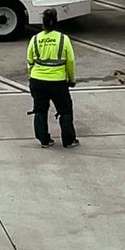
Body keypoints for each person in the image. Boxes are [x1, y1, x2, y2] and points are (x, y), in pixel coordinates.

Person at [27, 8, 78, 148]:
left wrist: (32, 76)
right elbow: (70, 61)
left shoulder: (35, 39)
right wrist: (71, 79)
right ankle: (68, 140)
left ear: (43, 23)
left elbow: (30, 61)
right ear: (56, 22)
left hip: (37, 80)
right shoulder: (63, 39)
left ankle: (44, 140)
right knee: (65, 110)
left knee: (40, 110)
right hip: (58, 81)